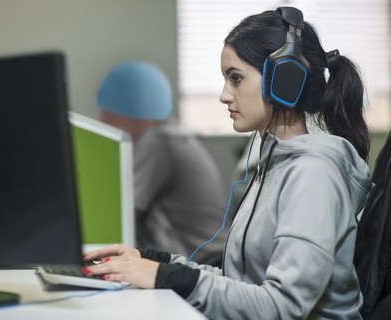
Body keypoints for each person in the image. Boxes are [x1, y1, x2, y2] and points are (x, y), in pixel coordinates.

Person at [83, 7, 374, 319]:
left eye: (236, 78)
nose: (224, 95)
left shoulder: (313, 173)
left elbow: (283, 306)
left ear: (284, 80)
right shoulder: (274, 164)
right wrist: (152, 261)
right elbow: (243, 286)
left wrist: (164, 277)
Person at [96, 60, 230, 265]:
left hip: (201, 264)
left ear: (131, 112)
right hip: (217, 257)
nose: (102, 121)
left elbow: (122, 217)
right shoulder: (177, 134)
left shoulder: (159, 141)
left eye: (108, 114)